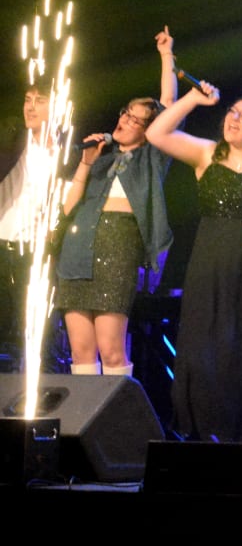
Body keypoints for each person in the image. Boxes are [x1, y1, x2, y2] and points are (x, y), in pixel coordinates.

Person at [146, 79, 242, 441]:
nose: (235, 119)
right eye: (232, 112)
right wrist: (194, 98)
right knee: (203, 346)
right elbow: (156, 133)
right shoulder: (208, 153)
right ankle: (200, 430)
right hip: (210, 260)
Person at [55, 27, 178, 378]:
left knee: (110, 348)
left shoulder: (152, 158)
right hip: (77, 251)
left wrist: (166, 55)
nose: (127, 121)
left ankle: (117, 427)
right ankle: (81, 430)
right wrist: (86, 162)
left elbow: (169, 108)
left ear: (148, 129)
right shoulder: (101, 158)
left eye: (139, 119)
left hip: (119, 247)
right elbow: (67, 210)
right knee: (80, 350)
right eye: (127, 113)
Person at [0, 81, 53, 366]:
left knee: (32, 336)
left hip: (34, 252)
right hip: (1, 243)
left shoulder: (65, 153)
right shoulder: (11, 139)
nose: (30, 106)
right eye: (27, 99)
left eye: (40, 100)